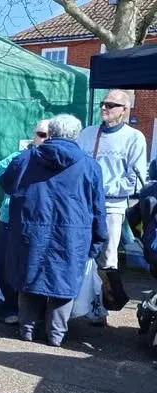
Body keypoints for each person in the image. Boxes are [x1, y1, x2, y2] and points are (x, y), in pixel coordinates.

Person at [2, 114, 108, 346]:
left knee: (29, 277)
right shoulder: (90, 166)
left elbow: (6, 183)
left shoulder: (26, 158)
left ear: (51, 132)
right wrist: (99, 240)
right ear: (76, 135)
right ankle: (56, 335)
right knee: (64, 282)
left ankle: (27, 330)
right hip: (73, 235)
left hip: (30, 230)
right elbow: (99, 208)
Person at [77, 90, 147, 323]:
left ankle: (102, 309)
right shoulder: (87, 134)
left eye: (111, 104)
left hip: (112, 208)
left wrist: (100, 188)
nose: (104, 107)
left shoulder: (134, 137)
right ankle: (75, 304)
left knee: (107, 260)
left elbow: (135, 179)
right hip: (83, 207)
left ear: (125, 110)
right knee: (80, 255)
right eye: (103, 103)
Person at [0, 119, 50, 325]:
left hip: (39, 222)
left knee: (34, 266)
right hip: (10, 219)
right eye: (40, 134)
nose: (44, 138)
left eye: (48, 135)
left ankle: (33, 312)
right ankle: (5, 308)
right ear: (33, 135)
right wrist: (20, 157)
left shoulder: (54, 161)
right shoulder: (20, 156)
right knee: (5, 265)